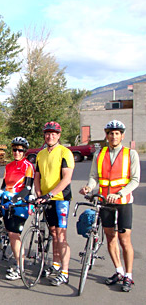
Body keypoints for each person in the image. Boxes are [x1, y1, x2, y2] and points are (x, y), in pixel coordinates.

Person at [79, 120, 140, 292]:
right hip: (105, 202)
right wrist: (89, 187)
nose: (114, 136)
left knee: (124, 239)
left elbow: (135, 180)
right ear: (106, 135)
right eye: (111, 133)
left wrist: (120, 194)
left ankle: (129, 275)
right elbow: (94, 176)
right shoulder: (100, 154)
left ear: (122, 135)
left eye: (117, 133)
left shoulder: (131, 154)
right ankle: (118, 271)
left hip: (123, 202)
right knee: (110, 236)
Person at [34, 121, 74, 286]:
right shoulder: (40, 154)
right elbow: (37, 177)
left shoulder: (65, 152)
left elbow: (67, 178)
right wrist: (38, 194)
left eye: (53, 134)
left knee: (61, 235)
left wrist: (50, 194)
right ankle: (56, 264)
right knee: (53, 233)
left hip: (60, 199)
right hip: (45, 199)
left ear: (59, 135)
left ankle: (64, 272)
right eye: (47, 133)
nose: (50, 136)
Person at [0, 137, 34, 280]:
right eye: (15, 150)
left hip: (20, 204)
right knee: (9, 232)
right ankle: (14, 254)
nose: (17, 152)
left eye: (20, 150)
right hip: (7, 202)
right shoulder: (9, 166)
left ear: (24, 151)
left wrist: (15, 199)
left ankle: (20, 267)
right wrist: (0, 197)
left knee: (14, 234)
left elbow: (28, 188)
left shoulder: (28, 166)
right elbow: (3, 184)